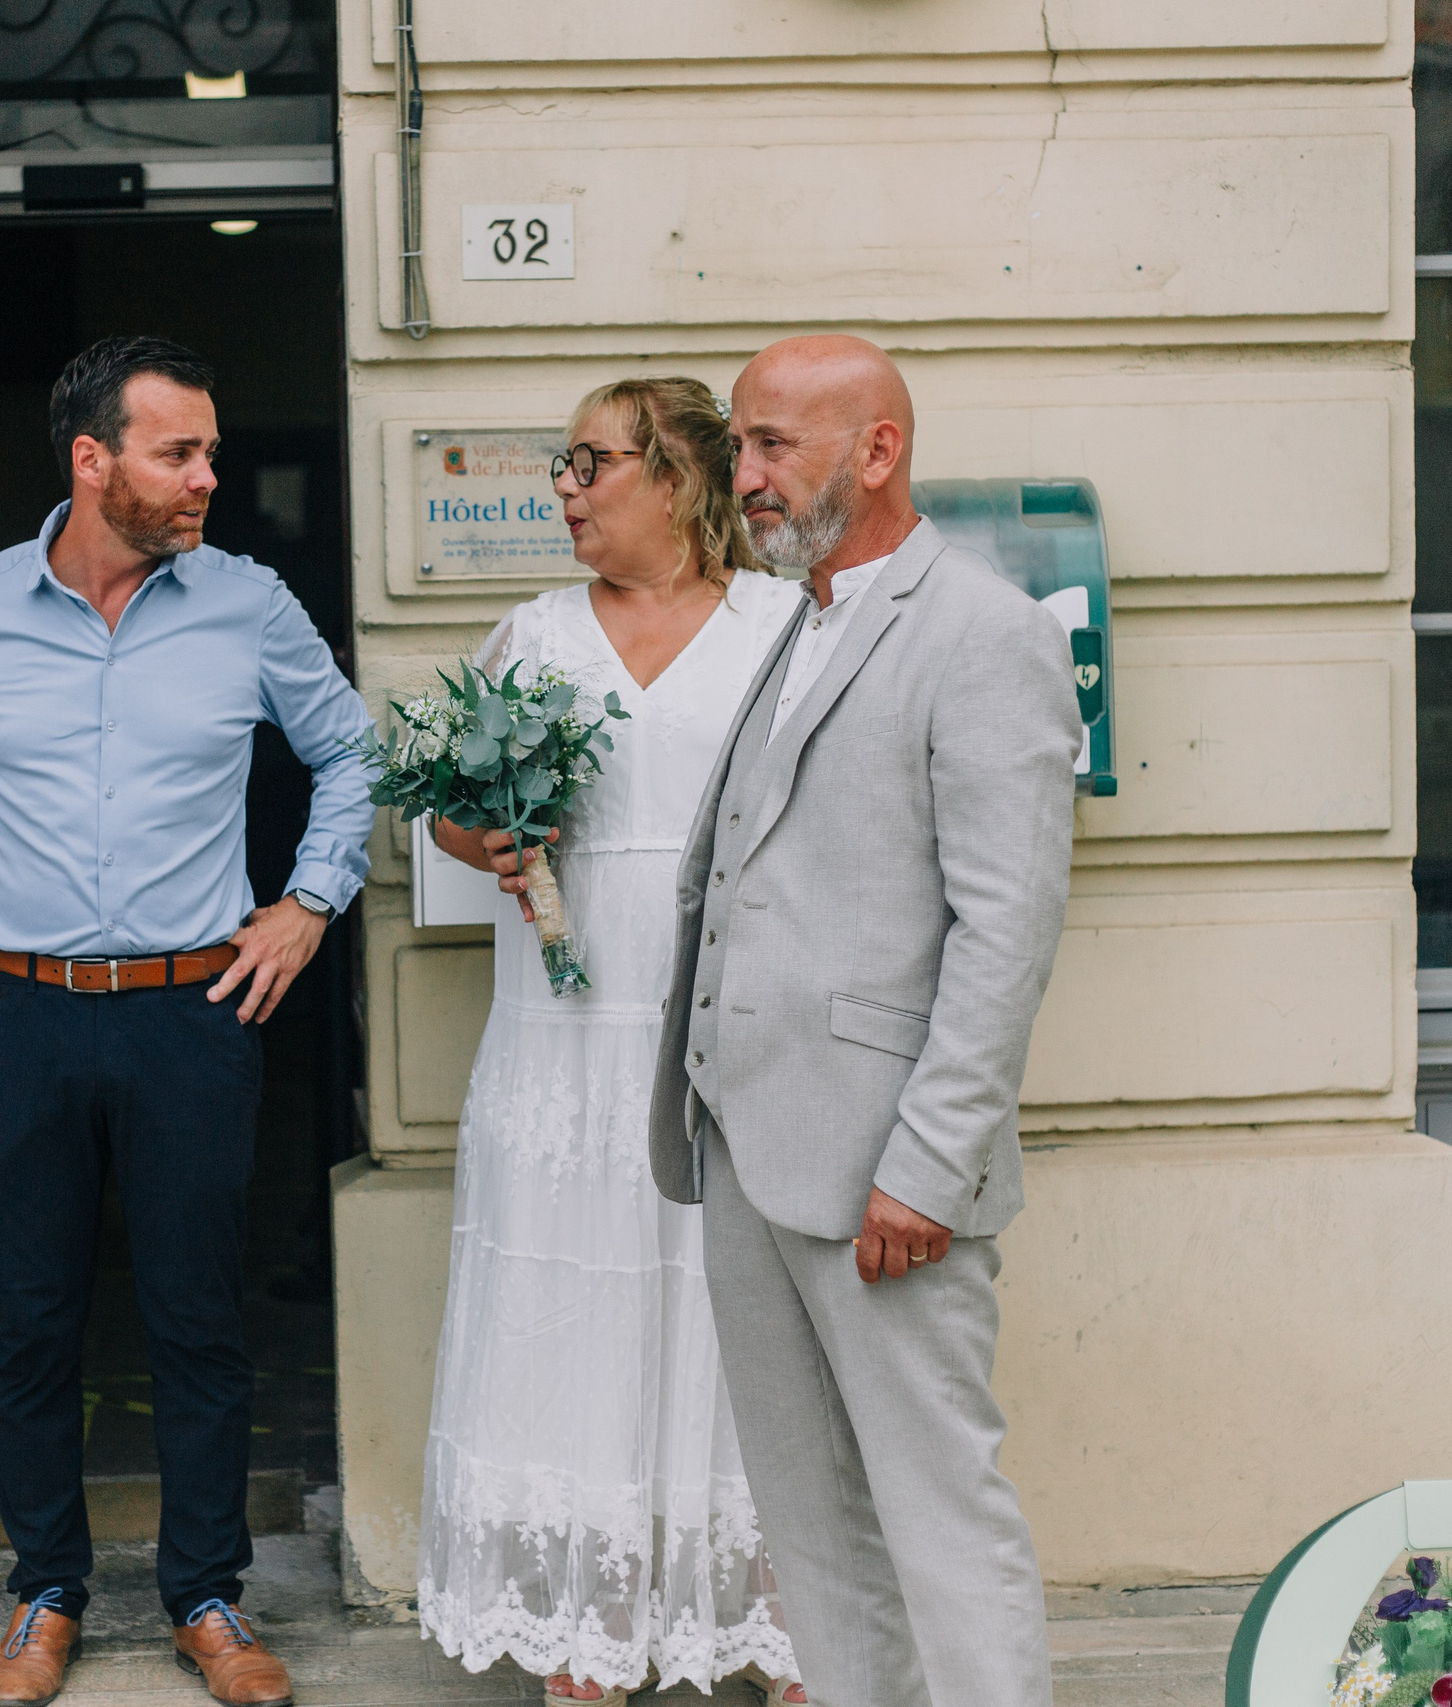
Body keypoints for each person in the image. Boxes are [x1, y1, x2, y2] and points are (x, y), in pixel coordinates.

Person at [0, 336, 373, 1707]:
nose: (206, 476)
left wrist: (308, 902)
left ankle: (206, 1595)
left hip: (195, 1012)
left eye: (210, 451)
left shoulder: (249, 605)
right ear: (92, 459)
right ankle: (45, 1594)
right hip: (20, 1012)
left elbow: (349, 754)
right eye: (177, 452)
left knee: (198, 1319)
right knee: (30, 1321)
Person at [646, 335, 1079, 1707]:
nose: (747, 476)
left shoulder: (987, 632)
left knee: (944, 1524)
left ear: (876, 452)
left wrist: (927, 1163)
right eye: (744, 446)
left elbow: (1005, 930)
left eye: (776, 446)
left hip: (889, 1177)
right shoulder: (800, 619)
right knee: (811, 1532)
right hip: (749, 1151)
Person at [418, 378, 810, 1707]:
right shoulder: (529, 634)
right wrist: (486, 836)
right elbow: (450, 826)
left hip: (734, 1026)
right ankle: (594, 1628)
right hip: (569, 1043)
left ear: (680, 482)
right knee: (582, 1310)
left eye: (590, 463)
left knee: (740, 1315)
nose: (565, 489)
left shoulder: (781, 628)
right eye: (563, 464)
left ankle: (773, 1618)